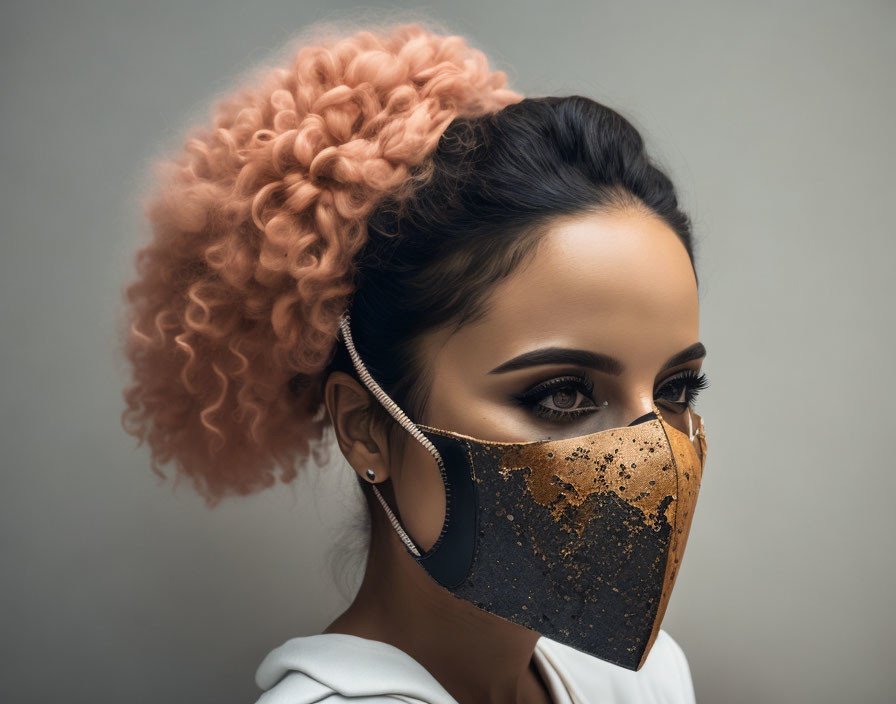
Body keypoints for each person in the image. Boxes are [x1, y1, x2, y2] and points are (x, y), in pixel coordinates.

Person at [119, 20, 709, 704]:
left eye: (676, 389)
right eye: (562, 394)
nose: (654, 458)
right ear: (366, 426)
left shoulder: (642, 679)